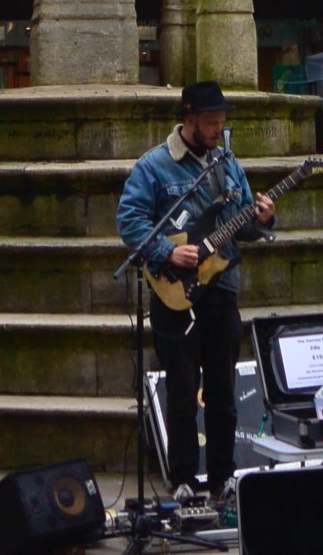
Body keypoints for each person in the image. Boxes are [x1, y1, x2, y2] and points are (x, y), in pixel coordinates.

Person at [116, 82, 275, 504]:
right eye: (211, 122)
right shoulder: (154, 166)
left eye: (221, 122)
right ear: (189, 120)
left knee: (222, 392)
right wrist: (168, 252)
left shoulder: (228, 162)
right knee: (182, 391)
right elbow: (130, 221)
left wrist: (262, 220)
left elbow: (243, 228)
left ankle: (223, 477)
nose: (218, 129)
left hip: (222, 289)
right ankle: (184, 477)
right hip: (175, 295)